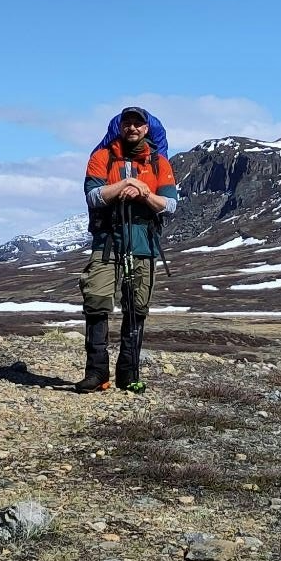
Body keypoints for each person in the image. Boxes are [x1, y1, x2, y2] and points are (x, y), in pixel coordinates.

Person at [77, 106, 177, 393]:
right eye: (127, 123)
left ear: (146, 129)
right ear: (120, 127)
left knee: (137, 306)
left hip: (143, 241)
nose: (132, 128)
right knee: (96, 300)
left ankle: (128, 373)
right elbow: (93, 196)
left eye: (138, 124)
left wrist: (144, 193)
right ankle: (97, 372)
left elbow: (170, 204)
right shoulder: (101, 157)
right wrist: (126, 183)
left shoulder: (159, 163)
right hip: (107, 241)